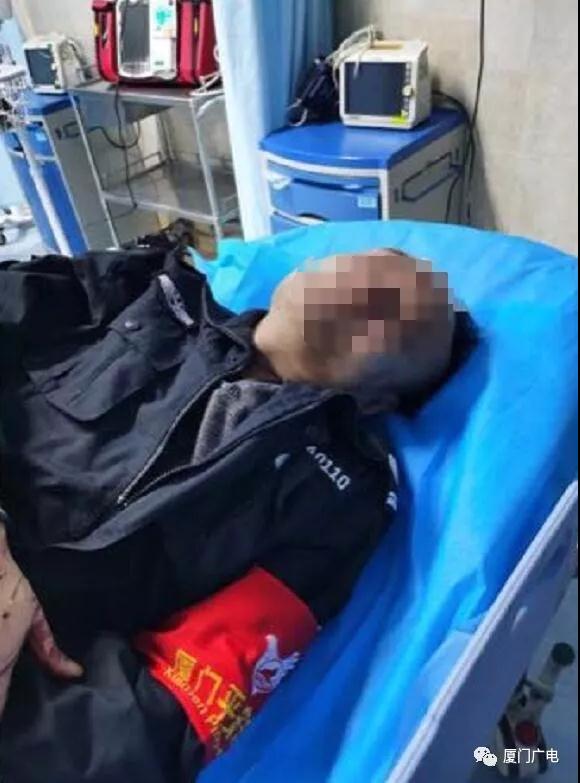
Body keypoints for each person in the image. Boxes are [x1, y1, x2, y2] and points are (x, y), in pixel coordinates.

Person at [0, 240, 464, 782]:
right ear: (303, 270)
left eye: (400, 315)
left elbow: (172, 703)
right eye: (369, 267)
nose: (370, 291)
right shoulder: (139, 287)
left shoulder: (339, 502)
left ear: (380, 401)